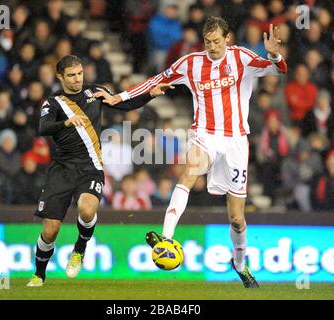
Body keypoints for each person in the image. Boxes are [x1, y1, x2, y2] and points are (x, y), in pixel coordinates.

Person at [96, 17, 287, 288]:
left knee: (236, 217)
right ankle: (166, 237)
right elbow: (156, 80)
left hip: (235, 140)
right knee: (187, 174)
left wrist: (275, 54)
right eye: (208, 42)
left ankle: (241, 263)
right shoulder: (190, 63)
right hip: (205, 135)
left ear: (227, 39)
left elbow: (278, 70)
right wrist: (120, 97)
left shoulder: (242, 57)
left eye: (217, 41)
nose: (212, 47)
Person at [26, 55, 172, 287]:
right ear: (60, 77)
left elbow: (121, 103)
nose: (77, 79)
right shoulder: (53, 103)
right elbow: (43, 128)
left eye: (80, 73)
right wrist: (66, 122)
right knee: (51, 229)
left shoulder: (94, 92)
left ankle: (79, 250)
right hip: (61, 170)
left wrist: (149, 95)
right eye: (71, 75)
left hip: (91, 167)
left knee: (86, 208)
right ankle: (39, 274)